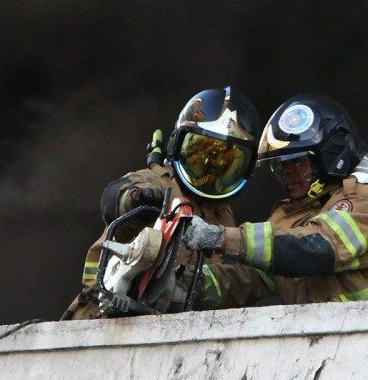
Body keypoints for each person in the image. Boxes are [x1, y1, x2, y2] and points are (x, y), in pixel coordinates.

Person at [183, 93, 368, 307]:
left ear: (330, 156)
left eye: (298, 163)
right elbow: (245, 279)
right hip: (325, 340)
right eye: (282, 166)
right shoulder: (291, 219)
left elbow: (315, 249)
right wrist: (185, 284)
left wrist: (222, 237)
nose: (289, 173)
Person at [64, 86, 260, 319]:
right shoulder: (157, 181)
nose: (209, 168)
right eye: (200, 154)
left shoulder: (223, 215)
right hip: (99, 317)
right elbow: (113, 197)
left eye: (225, 163)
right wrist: (135, 200)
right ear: (178, 144)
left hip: (167, 326)